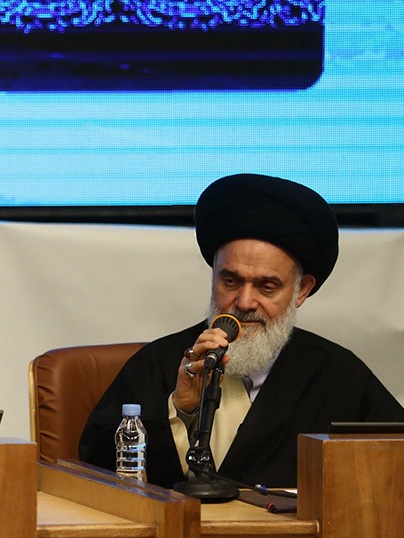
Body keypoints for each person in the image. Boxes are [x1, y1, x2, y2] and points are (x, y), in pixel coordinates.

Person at [79, 174, 403, 489]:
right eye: (231, 281)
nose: (245, 302)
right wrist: (180, 408)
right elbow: (96, 466)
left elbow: (393, 467)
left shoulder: (337, 377)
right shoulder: (159, 363)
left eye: (267, 286)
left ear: (301, 290)